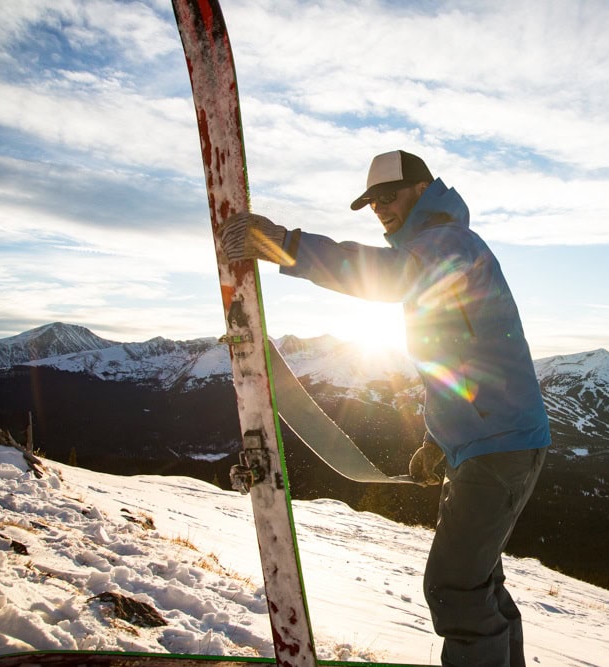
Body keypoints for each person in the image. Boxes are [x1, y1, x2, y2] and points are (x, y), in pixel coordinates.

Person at [220, 149, 551, 667]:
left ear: (421, 189)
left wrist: (283, 245)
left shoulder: (447, 244)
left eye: (387, 196)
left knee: (455, 587)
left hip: (499, 447)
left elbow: (387, 275)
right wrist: (435, 440)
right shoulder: (435, 248)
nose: (378, 209)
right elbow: (453, 365)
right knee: (477, 584)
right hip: (490, 443)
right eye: (371, 202)